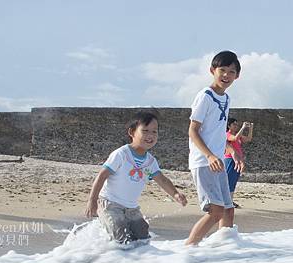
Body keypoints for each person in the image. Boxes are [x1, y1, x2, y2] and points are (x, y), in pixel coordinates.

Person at [85, 112, 187, 244]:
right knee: (120, 236)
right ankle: (106, 256)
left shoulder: (150, 161)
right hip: (110, 204)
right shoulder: (122, 154)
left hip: (132, 208)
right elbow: (102, 175)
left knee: (143, 238)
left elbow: (162, 179)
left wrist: (175, 194)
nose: (150, 135)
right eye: (145, 131)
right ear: (132, 132)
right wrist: (92, 200)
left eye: (154, 132)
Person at [185, 50, 243, 246]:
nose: (226, 75)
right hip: (204, 162)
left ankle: (224, 250)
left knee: (228, 209)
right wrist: (209, 156)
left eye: (231, 72)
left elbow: (217, 132)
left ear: (237, 75)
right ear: (212, 70)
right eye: (222, 70)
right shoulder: (205, 96)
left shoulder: (226, 99)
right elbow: (193, 131)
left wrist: (232, 150)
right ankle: (188, 250)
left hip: (217, 161)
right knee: (216, 211)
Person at [224, 117, 253, 208]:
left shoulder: (238, 135)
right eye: (234, 124)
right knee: (228, 180)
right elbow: (234, 138)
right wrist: (243, 128)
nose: (236, 126)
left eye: (237, 124)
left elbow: (248, 139)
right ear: (229, 126)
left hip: (238, 161)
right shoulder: (227, 134)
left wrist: (250, 128)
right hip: (229, 160)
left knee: (233, 181)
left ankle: (230, 201)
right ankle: (226, 201)